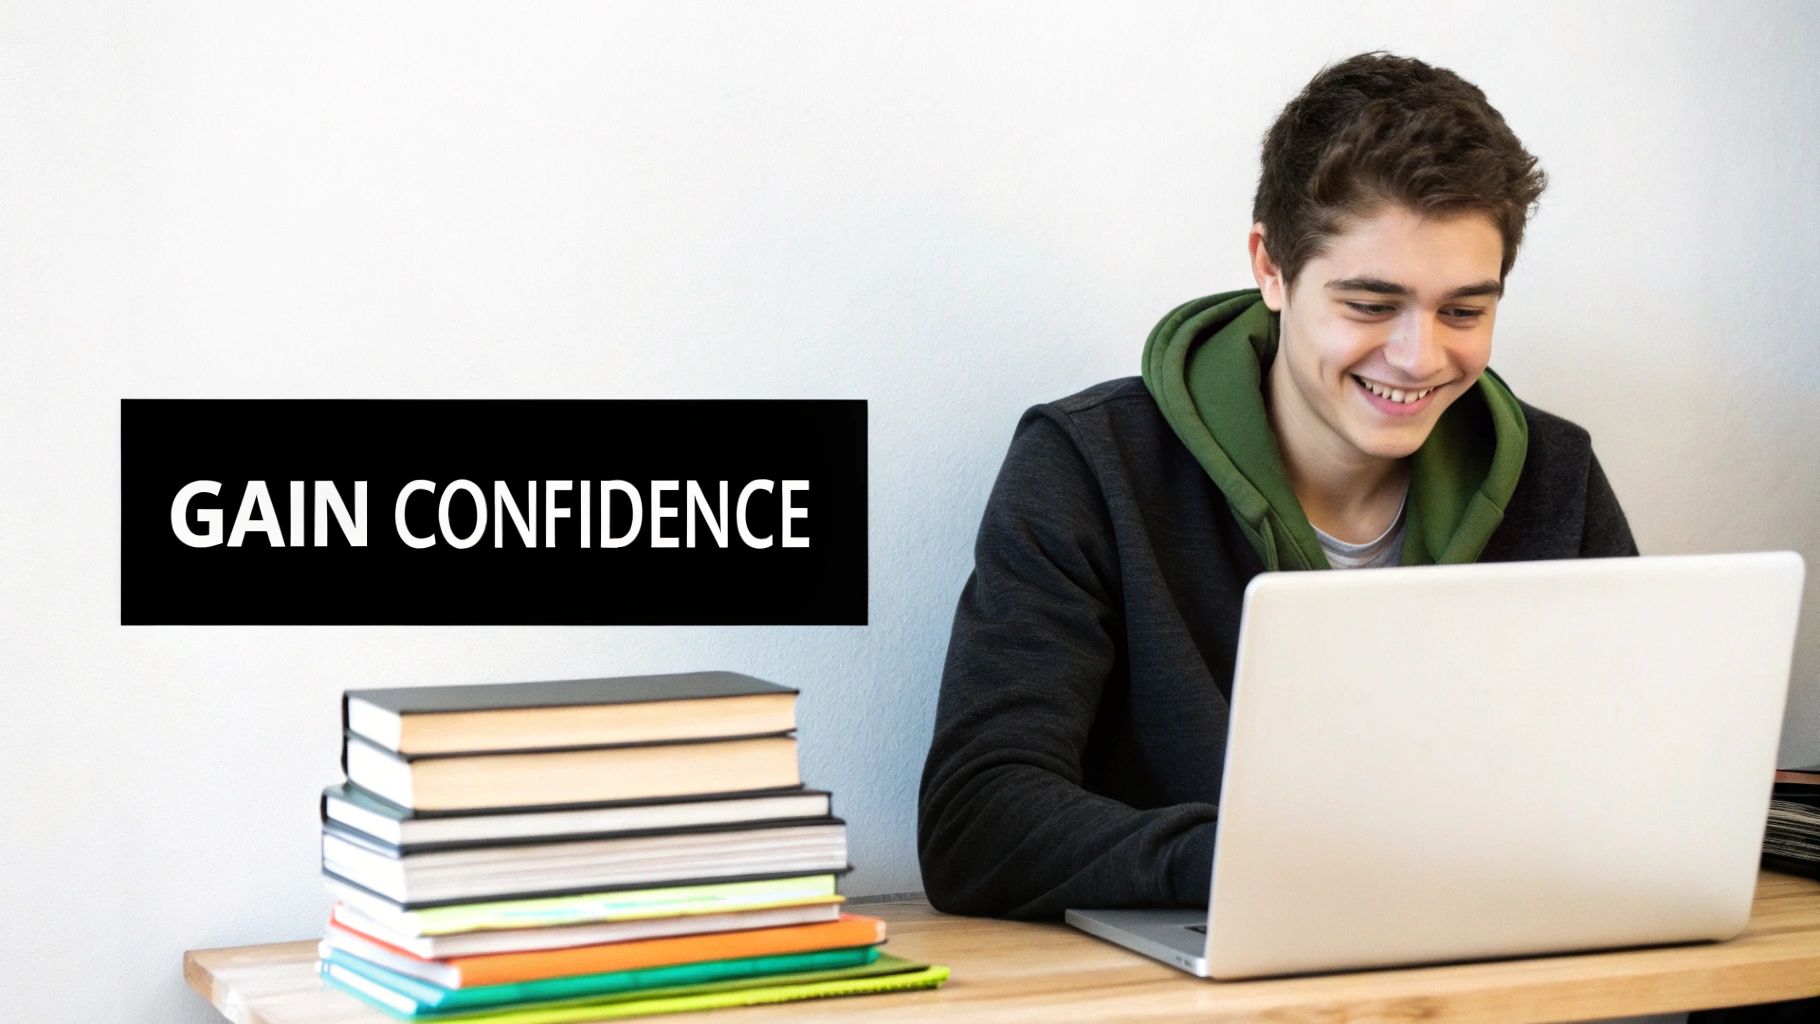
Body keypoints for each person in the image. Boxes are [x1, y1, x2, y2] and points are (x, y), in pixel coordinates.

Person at [918, 49, 1813, 1022]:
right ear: (1269, 266)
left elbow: (1638, 793)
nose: (1416, 356)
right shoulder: (1089, 466)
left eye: (1462, 310)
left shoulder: (1552, 478)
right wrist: (1258, 864)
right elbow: (979, 815)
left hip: (1502, 990)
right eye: (1368, 303)